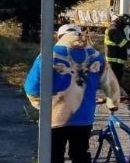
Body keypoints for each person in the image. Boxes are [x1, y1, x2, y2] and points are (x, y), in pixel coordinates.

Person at [24, 24, 121, 163]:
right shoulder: (96, 56)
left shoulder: (48, 54)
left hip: (54, 117)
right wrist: (113, 104)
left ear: (59, 37)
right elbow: (111, 86)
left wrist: (39, 104)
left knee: (53, 155)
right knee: (80, 154)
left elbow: (32, 87)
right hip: (84, 117)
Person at [104, 14, 130, 87]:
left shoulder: (118, 29)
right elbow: (122, 43)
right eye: (126, 25)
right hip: (113, 61)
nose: (126, 26)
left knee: (116, 79)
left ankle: (116, 93)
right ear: (122, 22)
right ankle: (112, 95)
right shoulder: (113, 30)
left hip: (117, 61)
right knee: (113, 79)